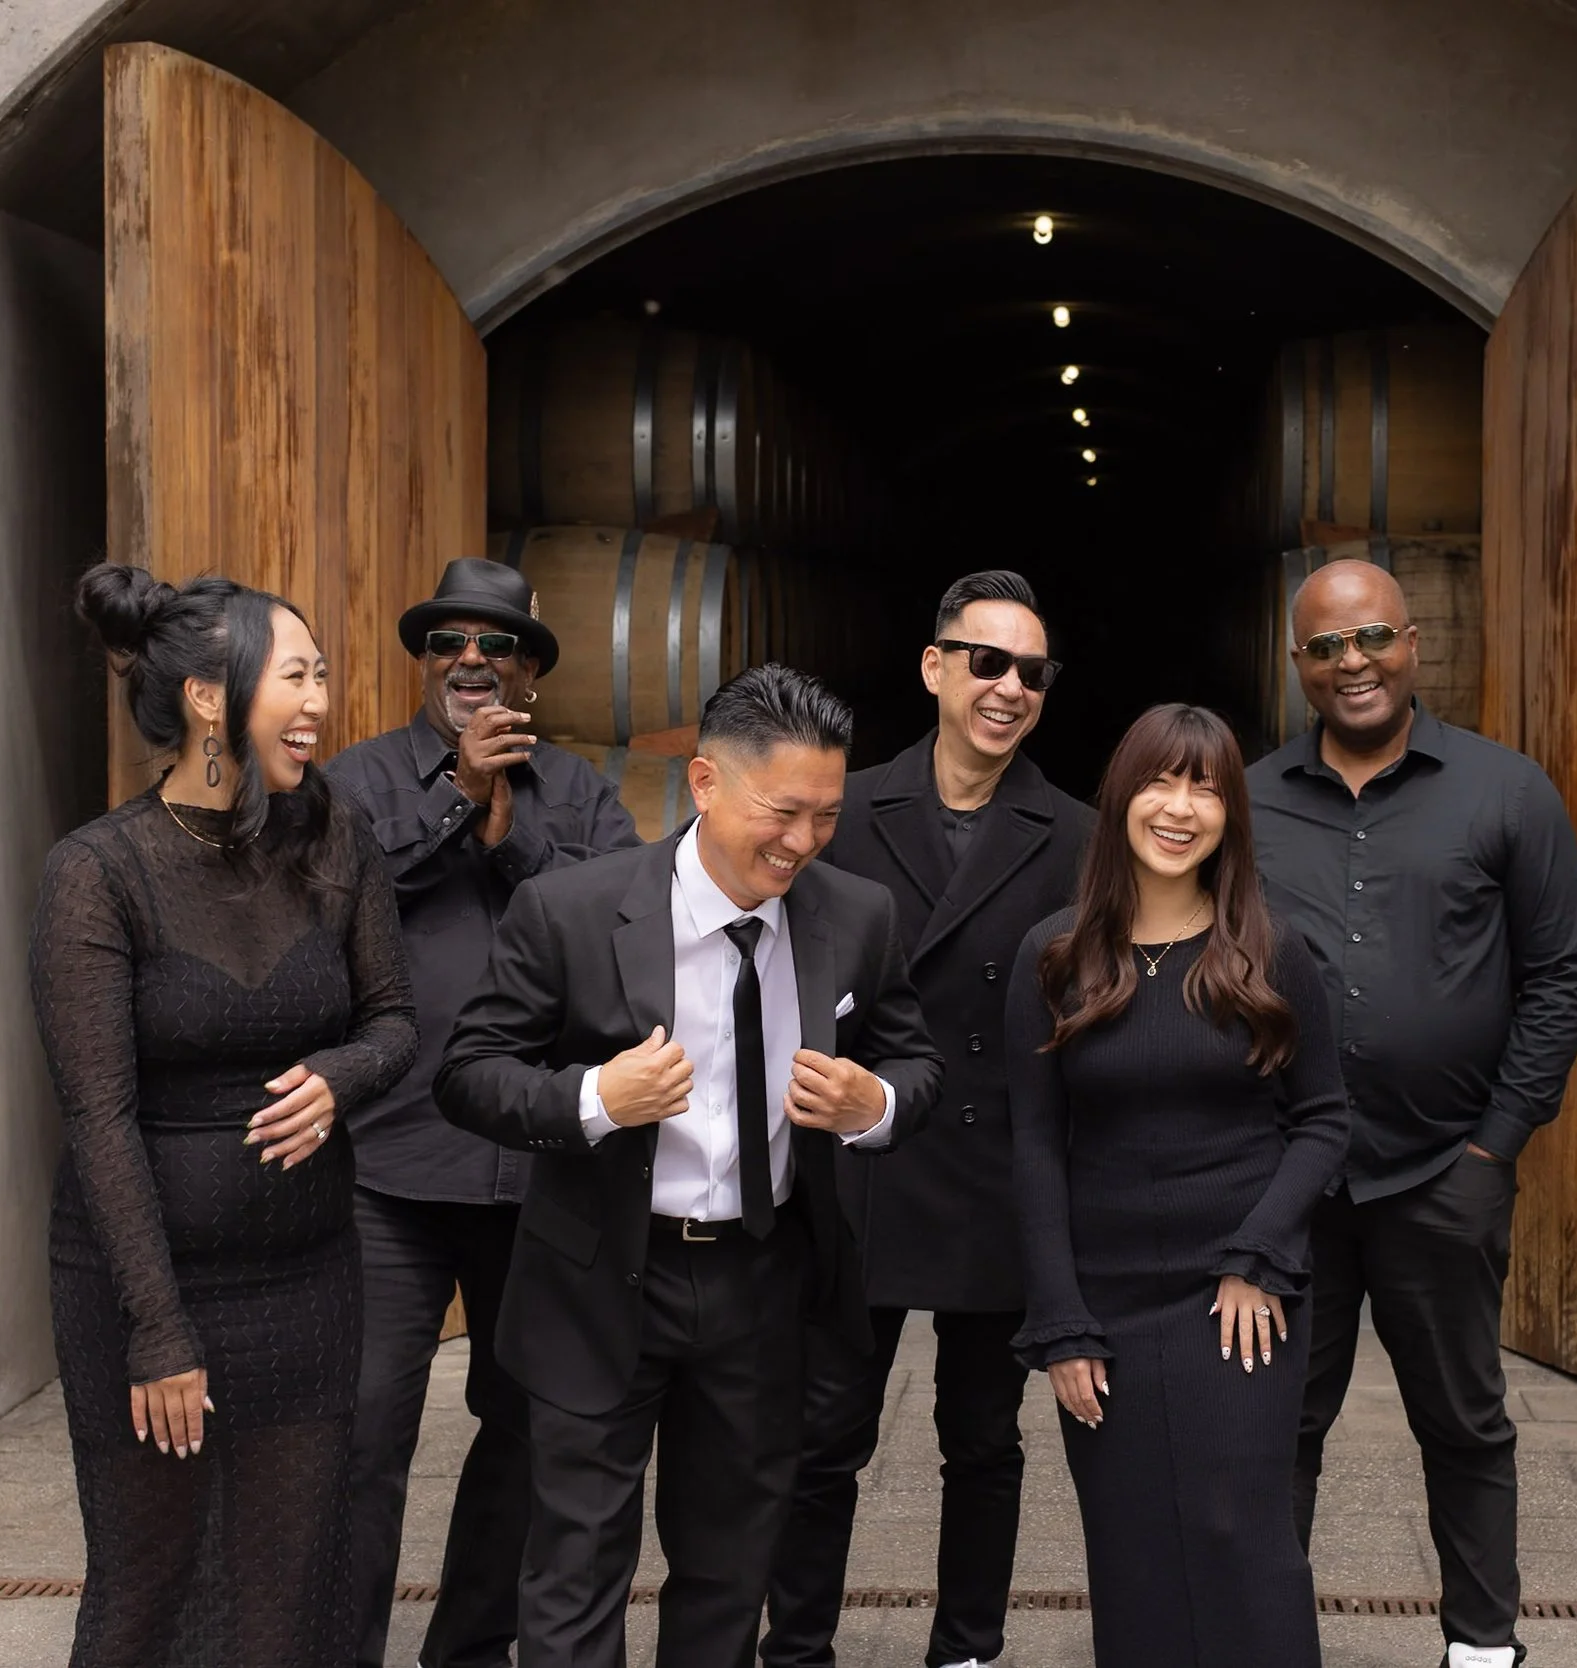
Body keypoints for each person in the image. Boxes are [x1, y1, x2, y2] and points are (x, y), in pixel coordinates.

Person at [435, 663, 944, 1668]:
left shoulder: (857, 915)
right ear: (706, 784)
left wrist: (872, 1103)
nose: (802, 843)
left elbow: (914, 1060)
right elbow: (468, 1074)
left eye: (827, 818)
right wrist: (593, 1099)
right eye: (783, 812)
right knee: (576, 1572)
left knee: (727, 1572)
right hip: (598, 1279)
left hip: (761, 1280)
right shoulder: (570, 911)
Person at [30, 565, 418, 1667]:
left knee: (291, 1586)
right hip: (143, 1294)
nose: (320, 702)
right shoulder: (96, 874)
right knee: (149, 1585)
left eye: (322, 675)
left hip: (305, 1283)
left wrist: (344, 1076)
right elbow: (99, 1118)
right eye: (296, 675)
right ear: (211, 697)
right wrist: (159, 1333)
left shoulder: (335, 843)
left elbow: (396, 1018)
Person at [1248, 558, 1577, 1668]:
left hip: (1440, 1174)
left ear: (1412, 646)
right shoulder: (1248, 801)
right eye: (1325, 648)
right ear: (1298, 663)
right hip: (1287, 1182)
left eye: (1372, 641)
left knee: (1462, 1420)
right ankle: (1266, 1638)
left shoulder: (1505, 792)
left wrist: (1495, 1146)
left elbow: (1563, 976)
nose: (1351, 665)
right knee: (1276, 1429)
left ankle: (1482, 1647)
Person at [762, 570, 1093, 1668]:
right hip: (858, 1167)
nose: (1008, 687)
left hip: (994, 1177)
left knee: (984, 1441)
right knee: (822, 1439)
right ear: (935, 668)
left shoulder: (1077, 832)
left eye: (1031, 672)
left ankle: (966, 1648)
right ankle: (797, 1647)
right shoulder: (846, 809)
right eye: (986, 662)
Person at [327, 557, 642, 1668]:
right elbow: (344, 902)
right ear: (425, 664)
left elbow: (618, 935)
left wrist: (509, 831)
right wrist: (459, 798)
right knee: (364, 1434)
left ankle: (467, 1648)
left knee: (524, 1430)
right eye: (447, 644)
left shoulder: (585, 792)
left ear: (530, 676)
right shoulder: (358, 782)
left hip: (536, 1170)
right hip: (389, 1170)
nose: (469, 661)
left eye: (494, 645)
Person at [1006, 702, 1350, 1668]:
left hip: (1238, 1295)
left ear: (1231, 814)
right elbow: (1035, 1147)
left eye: (1205, 786)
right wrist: (1061, 1322)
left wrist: (1259, 1258)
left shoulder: (1271, 952)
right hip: (1105, 1297)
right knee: (1130, 1539)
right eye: (1161, 780)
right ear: (1121, 798)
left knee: (1238, 1528)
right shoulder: (1057, 955)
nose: (1180, 806)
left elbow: (1324, 1119)